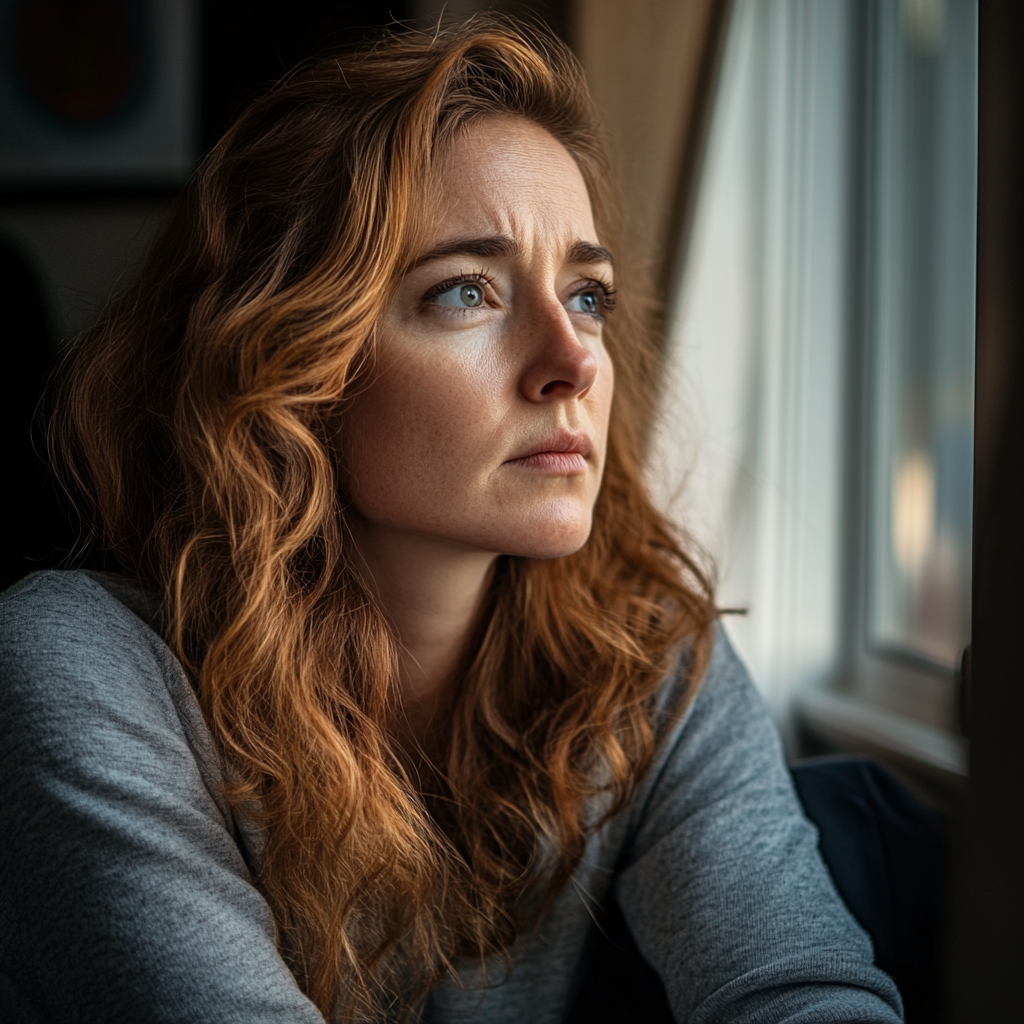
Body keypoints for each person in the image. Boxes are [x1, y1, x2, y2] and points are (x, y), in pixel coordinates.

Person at [0, 19, 904, 1024]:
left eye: (587, 293)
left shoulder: (647, 666)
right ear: (291, 362)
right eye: (466, 292)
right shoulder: (81, 667)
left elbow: (800, 994)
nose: (574, 360)